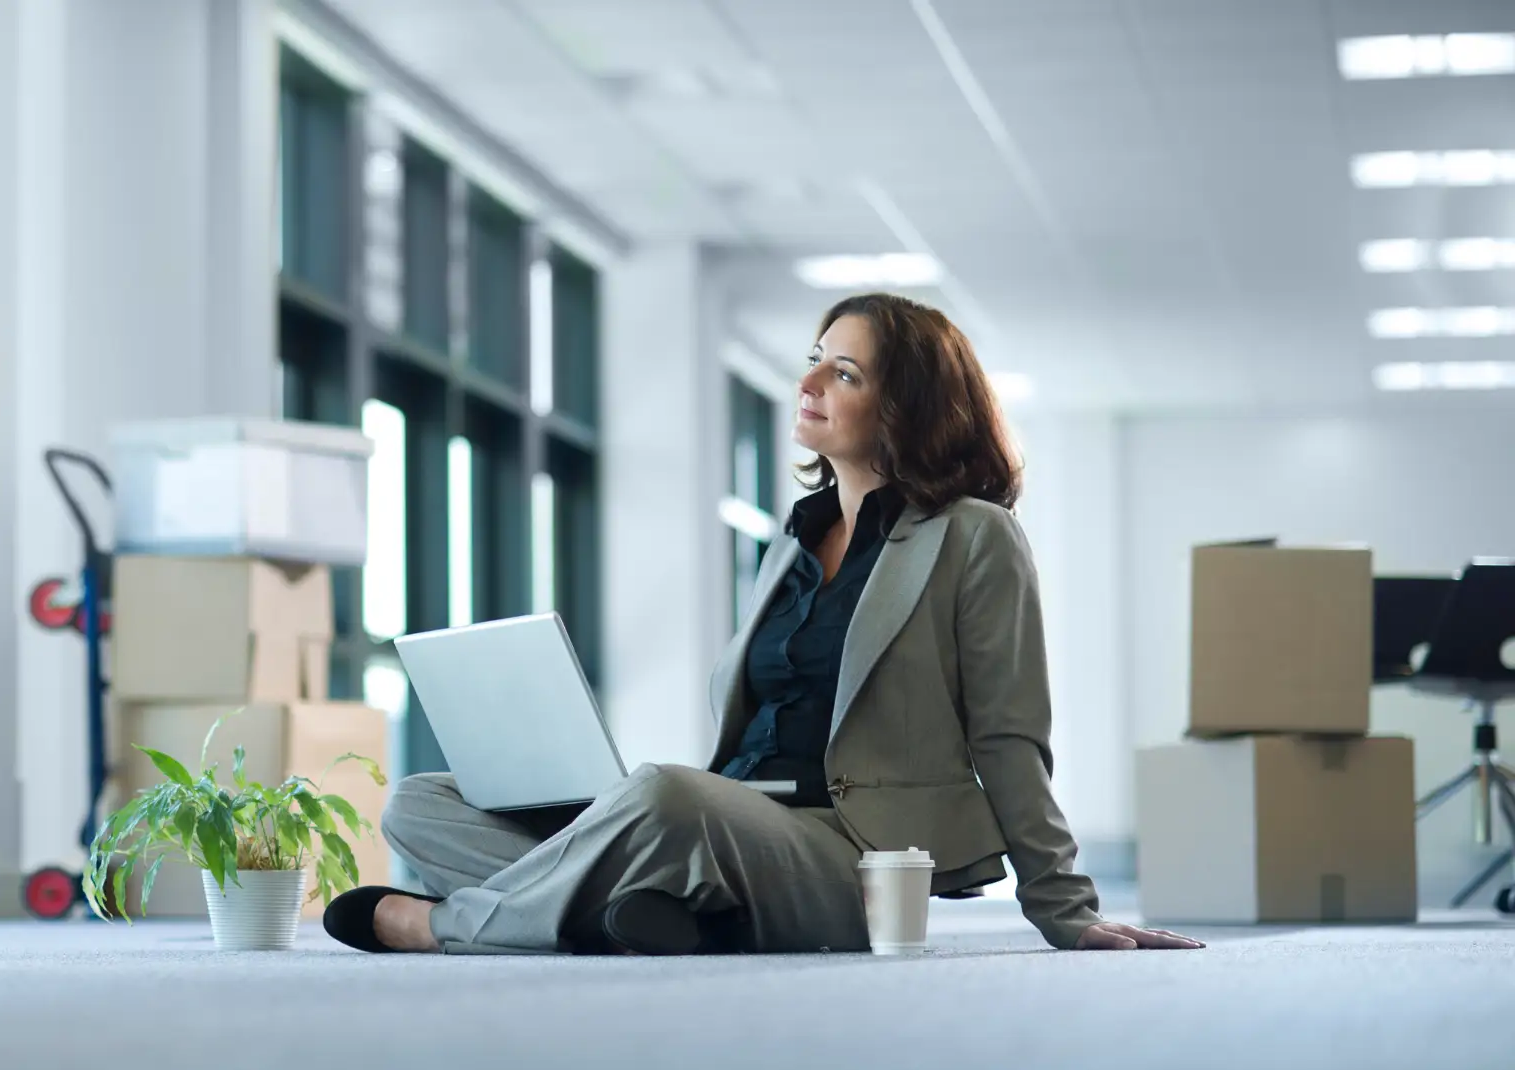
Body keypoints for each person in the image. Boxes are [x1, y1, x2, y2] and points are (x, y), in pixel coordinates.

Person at [323, 292, 1204, 955]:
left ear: (908, 409)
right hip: (739, 818)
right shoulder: (792, 542)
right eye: (817, 357)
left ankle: (442, 928)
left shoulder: (974, 536)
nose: (809, 381)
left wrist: (1066, 910)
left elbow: (1011, 737)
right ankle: (665, 921)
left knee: (664, 795)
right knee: (420, 802)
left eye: (844, 373)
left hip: (852, 855)